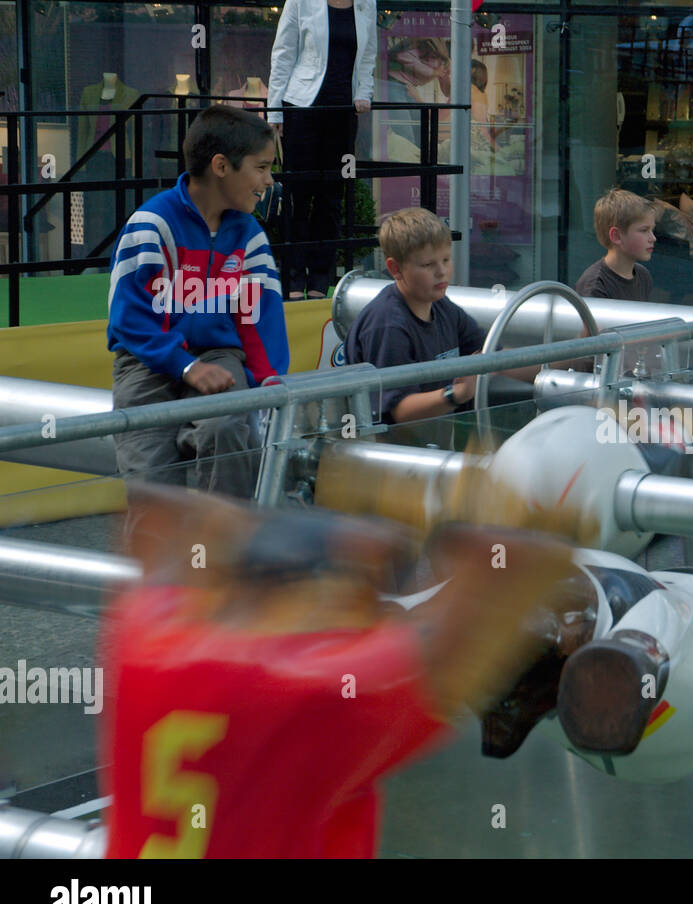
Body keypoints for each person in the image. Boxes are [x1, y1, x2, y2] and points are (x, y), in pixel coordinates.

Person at [100, 486, 577, 858]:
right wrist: (514, 511)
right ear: (318, 598)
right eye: (362, 598)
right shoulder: (314, 692)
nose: (374, 616)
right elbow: (509, 573)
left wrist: (256, 532)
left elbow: (157, 520)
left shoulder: (142, 632)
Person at [107, 104, 288, 505]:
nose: (268, 180)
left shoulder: (250, 235)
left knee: (227, 429)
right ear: (221, 166)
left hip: (220, 354)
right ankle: (163, 561)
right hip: (145, 360)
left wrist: (270, 383)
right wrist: (185, 367)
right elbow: (129, 319)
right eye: (261, 168)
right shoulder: (151, 224)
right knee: (151, 475)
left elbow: (258, 320)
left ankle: (223, 553)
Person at [268, 0, 378, 300]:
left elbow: (368, 56)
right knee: (298, 197)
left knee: (332, 196)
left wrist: (363, 93)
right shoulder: (301, 2)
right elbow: (283, 55)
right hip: (301, 108)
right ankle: (292, 281)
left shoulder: (367, 4)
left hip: (344, 114)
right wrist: (275, 113)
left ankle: (320, 281)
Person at [344, 208, 486, 425]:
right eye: (428, 264)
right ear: (395, 268)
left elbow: (492, 354)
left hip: (431, 446)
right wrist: (457, 394)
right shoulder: (387, 325)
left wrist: (551, 361)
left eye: (446, 260)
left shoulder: (442, 307)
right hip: (392, 453)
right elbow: (398, 410)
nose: (442, 272)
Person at [574, 188, 656, 302]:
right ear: (616, 236)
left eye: (652, 230)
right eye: (644, 230)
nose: (653, 238)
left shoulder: (643, 276)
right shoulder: (594, 287)